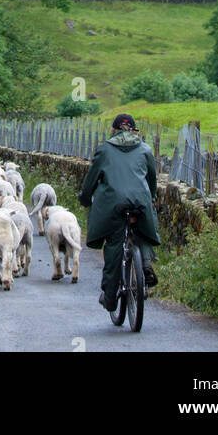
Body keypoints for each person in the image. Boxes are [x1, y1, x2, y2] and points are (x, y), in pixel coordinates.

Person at [78, 113, 160, 310]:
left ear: (113, 130)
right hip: (140, 200)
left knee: (114, 243)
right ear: (133, 130)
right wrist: (152, 197)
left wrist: (85, 197)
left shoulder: (104, 150)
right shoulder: (145, 149)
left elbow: (91, 180)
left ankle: (110, 295)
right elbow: (151, 179)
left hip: (113, 204)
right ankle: (146, 264)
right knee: (144, 228)